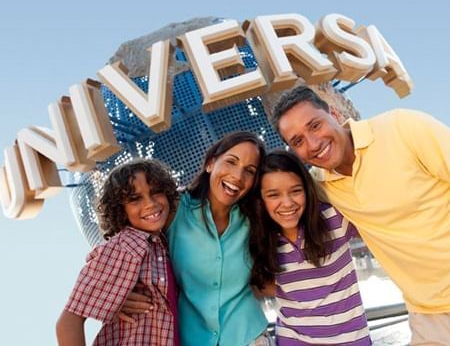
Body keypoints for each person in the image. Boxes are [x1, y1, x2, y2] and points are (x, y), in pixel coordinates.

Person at [270, 85, 450, 345]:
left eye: (315, 125)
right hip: (428, 315)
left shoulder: (402, 128)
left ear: (334, 112)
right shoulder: (319, 185)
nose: (313, 143)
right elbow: (275, 196)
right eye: (297, 141)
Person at [121, 132, 272, 346]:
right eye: (231, 162)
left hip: (250, 338)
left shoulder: (256, 220)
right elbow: (119, 246)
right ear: (211, 163)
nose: (238, 176)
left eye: (250, 171)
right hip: (191, 339)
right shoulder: (173, 209)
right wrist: (117, 296)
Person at [249, 150, 371, 345]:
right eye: (273, 195)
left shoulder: (334, 219)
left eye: (296, 191)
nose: (287, 203)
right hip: (292, 340)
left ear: (307, 189)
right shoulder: (260, 241)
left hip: (351, 340)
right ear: (260, 201)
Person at [56, 159, 179, 346]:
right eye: (135, 199)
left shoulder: (161, 245)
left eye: (156, 192)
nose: (150, 203)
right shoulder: (128, 245)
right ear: (120, 209)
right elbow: (68, 322)